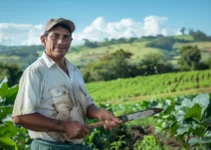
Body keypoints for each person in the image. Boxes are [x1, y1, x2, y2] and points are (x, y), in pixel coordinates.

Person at [12, 18, 122, 150]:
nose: (61, 42)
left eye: (66, 37)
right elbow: (21, 117)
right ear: (43, 40)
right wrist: (64, 126)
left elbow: (86, 105)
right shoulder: (35, 72)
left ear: (71, 41)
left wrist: (100, 113)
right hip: (49, 146)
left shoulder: (75, 71)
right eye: (55, 36)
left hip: (77, 146)